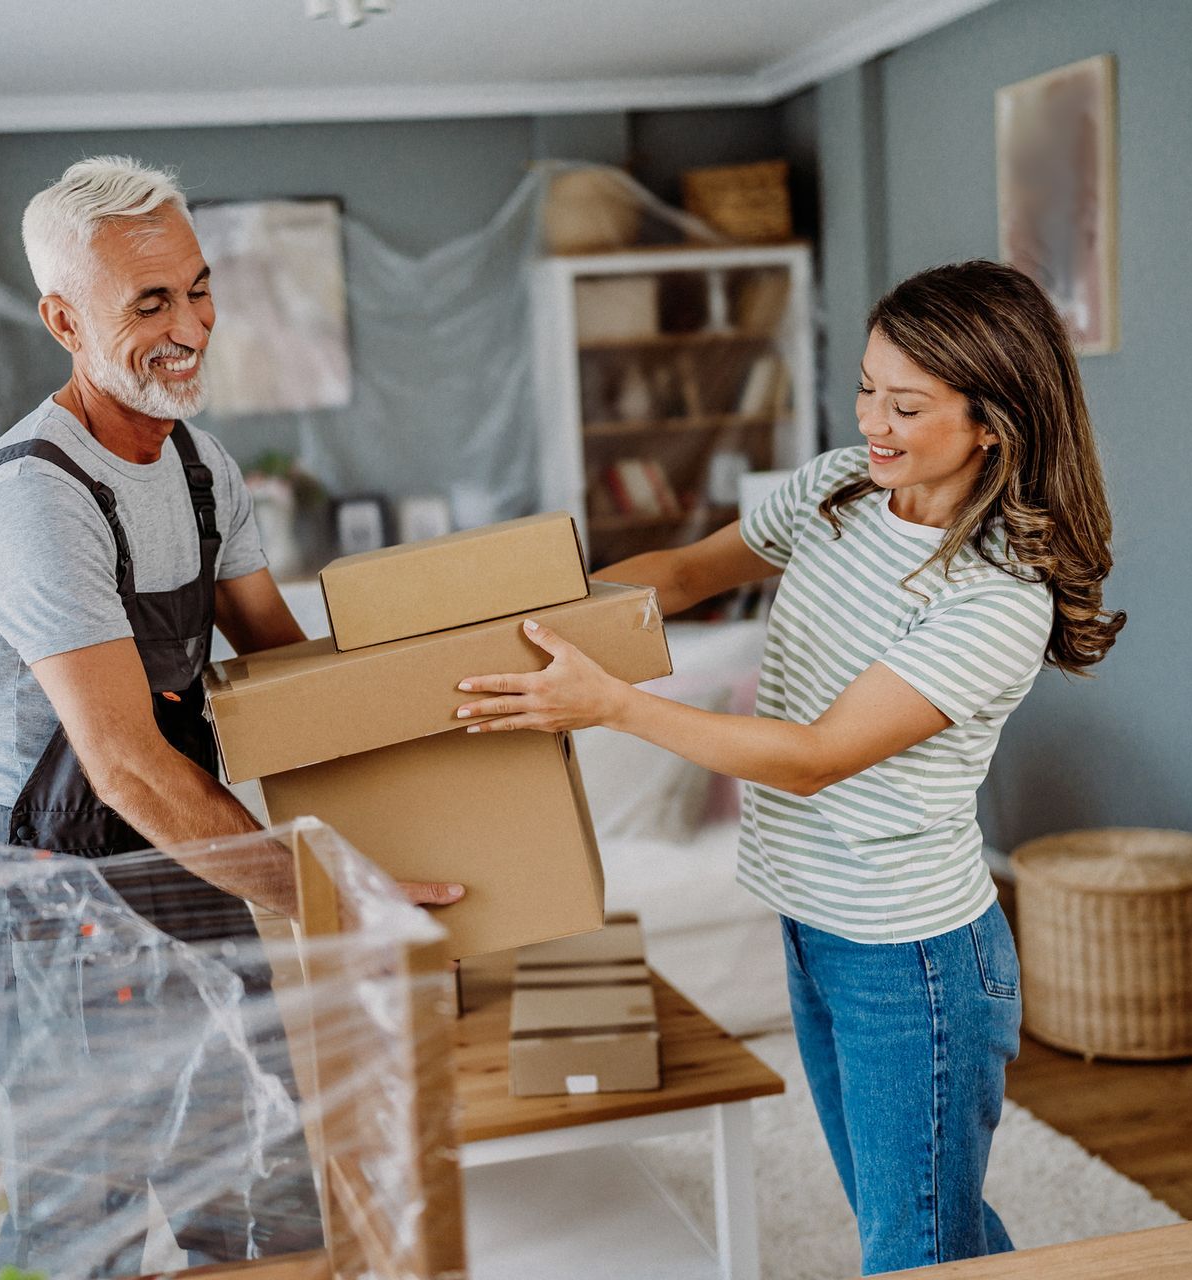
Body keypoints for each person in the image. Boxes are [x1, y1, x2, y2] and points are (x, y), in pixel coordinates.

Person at [457, 259, 1125, 1274]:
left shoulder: (996, 598)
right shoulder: (840, 488)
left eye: (906, 404)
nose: (873, 421)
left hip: (913, 959)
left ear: (994, 420)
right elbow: (684, 572)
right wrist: (534, 622)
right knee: (916, 1222)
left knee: (913, 1245)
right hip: (816, 919)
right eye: (866, 387)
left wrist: (613, 705)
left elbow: (815, 759)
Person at [0, 155, 463, 1274]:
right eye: (149, 303)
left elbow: (284, 671)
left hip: (191, 873)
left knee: (272, 1194)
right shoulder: (38, 499)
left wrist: (462, 709)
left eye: (198, 287)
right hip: (60, 920)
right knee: (86, 1234)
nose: (191, 326)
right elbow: (124, 765)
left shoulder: (197, 468)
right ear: (63, 319)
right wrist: (333, 896)